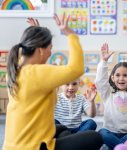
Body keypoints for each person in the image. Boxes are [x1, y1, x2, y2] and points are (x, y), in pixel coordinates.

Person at [3, 14, 103, 150]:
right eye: (50, 48)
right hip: (34, 147)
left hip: (13, 145)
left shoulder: (16, 70)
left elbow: (27, 53)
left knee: (61, 129)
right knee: (94, 137)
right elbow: (76, 69)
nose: (51, 52)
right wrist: (71, 35)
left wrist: (36, 32)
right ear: (40, 50)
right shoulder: (37, 73)